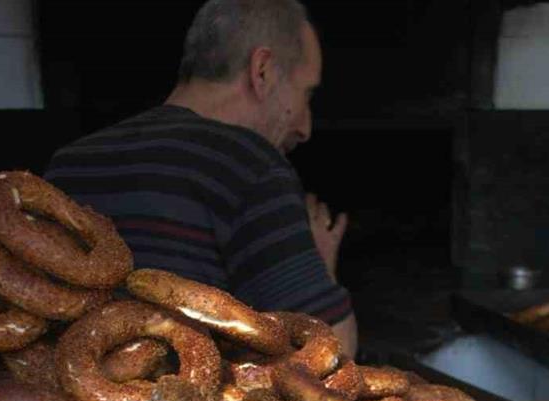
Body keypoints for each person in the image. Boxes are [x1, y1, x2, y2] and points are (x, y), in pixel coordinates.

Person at [44, 0, 357, 356]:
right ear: (263, 70)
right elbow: (333, 355)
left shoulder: (69, 162)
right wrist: (320, 262)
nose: (305, 127)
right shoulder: (251, 164)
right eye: (306, 94)